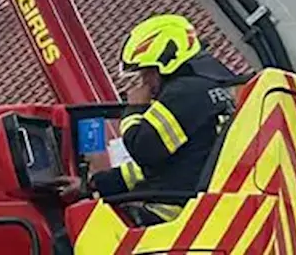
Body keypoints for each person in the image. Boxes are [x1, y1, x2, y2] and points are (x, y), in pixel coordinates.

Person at [54, 13, 239, 226]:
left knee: (68, 237)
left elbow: (143, 149)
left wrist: (135, 109)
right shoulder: (212, 87)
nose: (145, 82)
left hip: (175, 216)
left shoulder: (182, 95)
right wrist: (91, 185)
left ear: (167, 61)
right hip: (198, 207)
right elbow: (154, 167)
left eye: (147, 73)